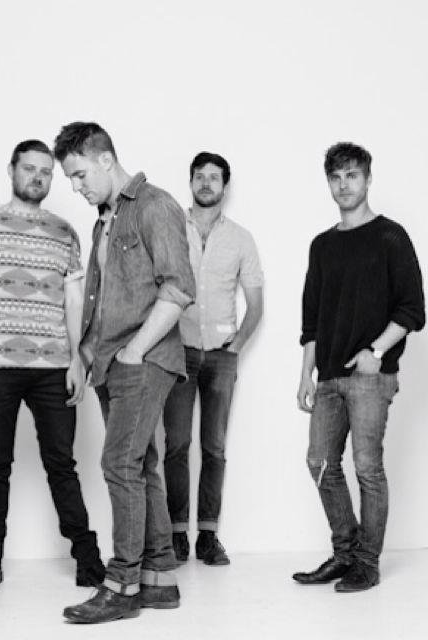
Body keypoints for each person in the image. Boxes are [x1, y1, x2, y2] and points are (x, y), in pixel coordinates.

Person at [0, 139, 105, 593]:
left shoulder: (64, 232)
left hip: (52, 365)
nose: (37, 177)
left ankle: (88, 559)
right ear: (12, 170)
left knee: (62, 463)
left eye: (45, 171)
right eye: (29, 168)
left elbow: (74, 300)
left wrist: (77, 360)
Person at [54, 122, 196, 623]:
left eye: (80, 175)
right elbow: (101, 304)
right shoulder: (104, 221)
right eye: (71, 179)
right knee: (140, 465)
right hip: (109, 361)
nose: (76, 187)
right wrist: (84, 357)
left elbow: (179, 289)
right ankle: (159, 580)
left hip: (145, 358)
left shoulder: (155, 206)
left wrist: (135, 351)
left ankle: (121, 585)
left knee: (118, 463)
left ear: (105, 160)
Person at [294, 142, 425, 592]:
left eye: (352, 175)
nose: (344, 184)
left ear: (368, 179)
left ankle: (367, 563)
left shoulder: (391, 236)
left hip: (371, 377)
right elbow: (311, 318)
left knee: (367, 467)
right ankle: (345, 552)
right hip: (328, 377)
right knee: (320, 462)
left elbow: (413, 309)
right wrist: (305, 374)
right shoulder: (322, 245)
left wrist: (376, 352)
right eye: (336, 177)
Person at [163, 152, 263, 565]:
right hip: (178, 351)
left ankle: (207, 536)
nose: (206, 183)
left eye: (214, 177)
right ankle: (175, 535)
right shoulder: (171, 228)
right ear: (190, 182)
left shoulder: (240, 238)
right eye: (200, 176)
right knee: (176, 444)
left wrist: (235, 346)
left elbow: (256, 303)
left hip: (222, 356)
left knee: (215, 447)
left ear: (225, 186)